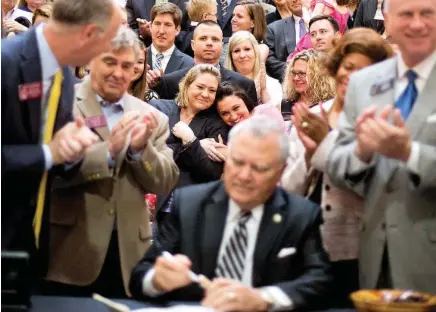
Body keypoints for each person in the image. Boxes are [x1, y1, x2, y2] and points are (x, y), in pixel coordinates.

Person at [129, 116, 332, 311]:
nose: (244, 176)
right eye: (237, 162)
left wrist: (263, 299)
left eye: (259, 168)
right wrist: (157, 280)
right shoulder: (189, 205)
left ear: (281, 170)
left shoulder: (300, 215)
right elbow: (141, 276)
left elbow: (320, 281)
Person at [43, 27, 179, 299]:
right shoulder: (59, 103)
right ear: (91, 59)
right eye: (110, 61)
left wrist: (141, 151)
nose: (118, 72)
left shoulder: (153, 117)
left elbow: (165, 181)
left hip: (128, 256)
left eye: (127, 65)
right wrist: (109, 151)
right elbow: (44, 170)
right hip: (68, 249)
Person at [1, 0, 122, 278]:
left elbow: (56, 158)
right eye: (109, 39)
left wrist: (74, 150)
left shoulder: (64, 71)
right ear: (89, 33)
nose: (109, 50)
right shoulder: (5, 63)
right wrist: (48, 153)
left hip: (32, 240)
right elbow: (44, 153)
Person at [326, 0, 436, 292]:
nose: (417, 23)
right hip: (373, 257)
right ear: (385, 18)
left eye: (427, 13)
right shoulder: (363, 82)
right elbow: (337, 164)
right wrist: (361, 151)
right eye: (406, 14)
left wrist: (410, 153)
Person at [281, 28, 393, 307]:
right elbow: (287, 190)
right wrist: (308, 158)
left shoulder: (386, 120)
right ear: (335, 67)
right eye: (348, 66)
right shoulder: (314, 114)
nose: (352, 76)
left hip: (360, 252)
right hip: (306, 243)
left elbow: (378, 191)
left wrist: (324, 145)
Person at [149, 64, 229, 229]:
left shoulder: (216, 123)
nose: (205, 94)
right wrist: (196, 144)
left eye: (212, 90)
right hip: (150, 201)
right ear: (186, 85)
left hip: (190, 207)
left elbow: (211, 172)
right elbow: (147, 152)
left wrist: (190, 140)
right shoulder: (158, 108)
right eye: (200, 87)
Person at [151, 21, 258, 106]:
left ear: (222, 45)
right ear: (193, 44)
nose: (209, 43)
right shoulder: (170, 82)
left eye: (215, 39)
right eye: (203, 38)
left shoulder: (244, 84)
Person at [225, 31, 282, 107]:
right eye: (237, 51)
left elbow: (276, 116)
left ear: (255, 52)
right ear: (231, 57)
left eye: (247, 49)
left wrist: (263, 92)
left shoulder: (272, 85)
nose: (242, 55)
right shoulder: (223, 84)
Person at [281, 49, 335, 120]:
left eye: (302, 73)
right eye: (294, 73)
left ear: (318, 76)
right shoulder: (286, 103)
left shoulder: (329, 105)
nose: (296, 78)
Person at [146, 3, 194, 78]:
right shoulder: (136, 58)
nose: (161, 31)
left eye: (167, 25)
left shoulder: (189, 64)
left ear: (177, 30)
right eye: (157, 24)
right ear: (150, 27)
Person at [265, 0, 307, 81]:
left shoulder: (326, 23)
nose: (294, 0)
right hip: (288, 82)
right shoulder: (274, 29)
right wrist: (293, 71)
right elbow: (269, 60)